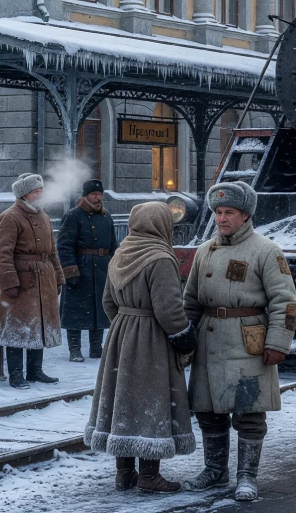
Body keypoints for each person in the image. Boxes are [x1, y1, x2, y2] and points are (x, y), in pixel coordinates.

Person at [182, 181, 296, 502]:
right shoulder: (205, 250)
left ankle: (247, 476)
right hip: (209, 339)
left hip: (249, 341)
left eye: (228, 212)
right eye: (218, 212)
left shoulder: (266, 250)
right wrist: (182, 339)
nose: (221, 219)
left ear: (245, 215)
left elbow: (285, 301)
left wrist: (278, 342)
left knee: (249, 413)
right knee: (208, 410)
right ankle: (215, 470)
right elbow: (191, 300)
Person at [85, 202, 197, 493]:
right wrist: (184, 337)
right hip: (151, 337)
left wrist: (125, 324)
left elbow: (108, 302)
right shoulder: (160, 257)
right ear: (162, 225)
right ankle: (149, 476)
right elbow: (168, 308)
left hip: (121, 333)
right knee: (151, 401)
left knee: (124, 401)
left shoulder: (120, 254)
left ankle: (124, 474)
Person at [0, 173, 66, 389]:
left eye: (41, 191)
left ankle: (35, 371)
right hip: (22, 280)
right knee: (17, 328)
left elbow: (52, 252)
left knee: (39, 325)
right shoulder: (10, 217)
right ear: (24, 194)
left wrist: (58, 277)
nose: (40, 194)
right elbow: (1, 253)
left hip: (44, 278)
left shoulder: (43, 216)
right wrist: (9, 282)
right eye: (36, 191)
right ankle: (16, 374)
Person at [58, 179, 115, 362]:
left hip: (102, 269)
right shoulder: (73, 216)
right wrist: (70, 270)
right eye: (94, 194)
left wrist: (116, 265)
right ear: (85, 196)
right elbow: (65, 246)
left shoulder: (107, 216)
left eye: (99, 195)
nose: (97, 198)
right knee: (75, 310)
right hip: (81, 268)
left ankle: (96, 348)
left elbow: (113, 244)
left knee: (100, 309)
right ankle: (74, 349)